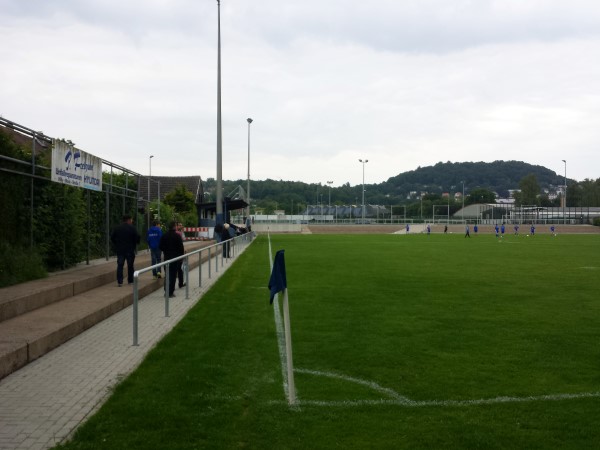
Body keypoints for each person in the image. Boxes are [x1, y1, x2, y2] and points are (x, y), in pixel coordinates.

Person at [110, 214, 140, 287]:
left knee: (120, 265)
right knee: (130, 265)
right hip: (130, 250)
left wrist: (117, 243)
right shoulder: (132, 228)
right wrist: (134, 243)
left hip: (120, 250)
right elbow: (137, 238)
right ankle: (130, 280)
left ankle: (120, 281)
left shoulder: (117, 228)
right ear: (129, 220)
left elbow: (112, 237)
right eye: (131, 220)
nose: (132, 221)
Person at [159, 221, 184, 298]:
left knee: (167, 274)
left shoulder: (164, 236)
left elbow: (160, 246)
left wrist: (166, 250)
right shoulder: (177, 236)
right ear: (174, 226)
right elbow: (181, 248)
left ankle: (166, 290)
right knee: (173, 275)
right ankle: (170, 292)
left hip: (167, 257)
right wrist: (181, 257)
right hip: (175, 258)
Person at [175, 222, 186, 288]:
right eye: (179, 225)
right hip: (178, 253)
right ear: (176, 226)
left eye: (181, 225)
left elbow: (183, 240)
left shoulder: (181, 232)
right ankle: (180, 283)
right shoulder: (178, 233)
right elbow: (182, 240)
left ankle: (181, 283)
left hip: (178, 252)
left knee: (180, 269)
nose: (181, 226)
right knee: (179, 269)